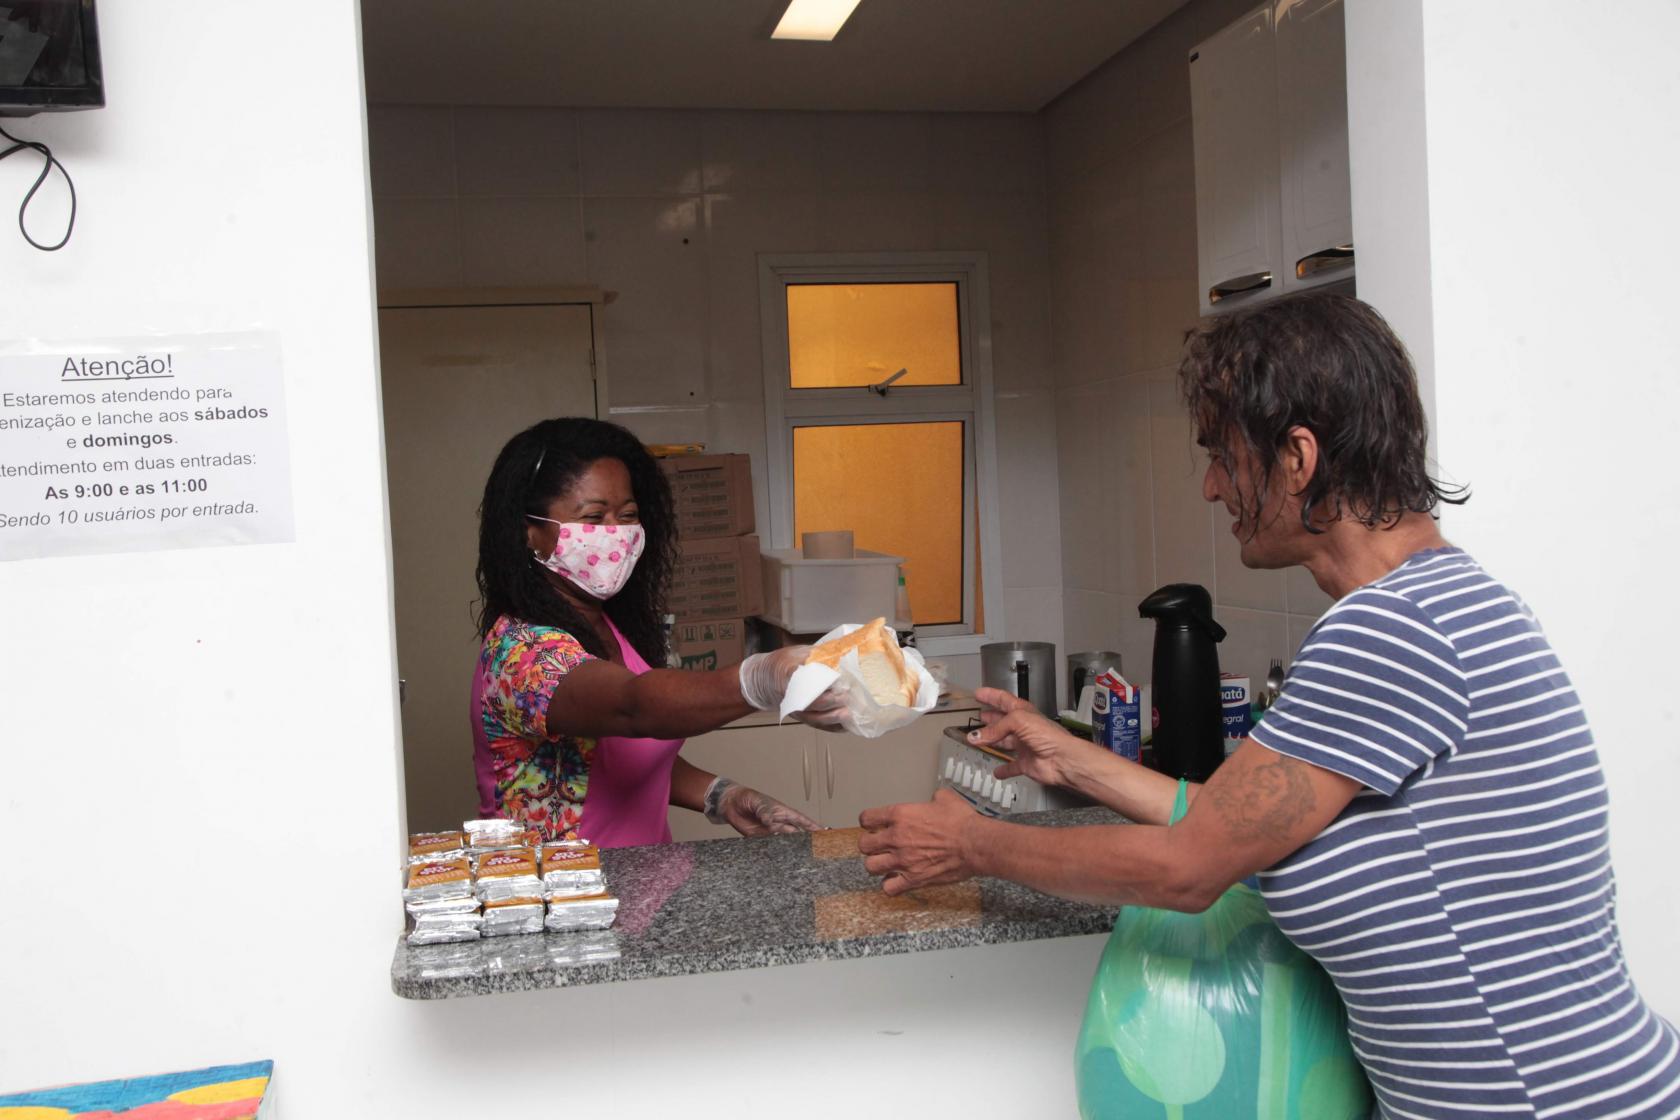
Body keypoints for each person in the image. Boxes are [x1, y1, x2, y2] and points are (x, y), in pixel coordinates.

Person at [858, 293, 1680, 1118]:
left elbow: (1190, 869)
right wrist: (1072, 758)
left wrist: (971, 843)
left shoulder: (1384, 632)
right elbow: (1243, 821)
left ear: (1297, 457)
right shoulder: (1442, 599)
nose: (1213, 488)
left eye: (1223, 454)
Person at [472, 417, 842, 848]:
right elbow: (635, 708)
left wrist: (721, 795)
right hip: (562, 902)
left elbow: (621, 757)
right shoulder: (520, 652)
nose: (617, 533)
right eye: (593, 517)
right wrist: (762, 677)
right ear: (530, 533)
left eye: (627, 515)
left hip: (642, 887)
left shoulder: (606, 623)